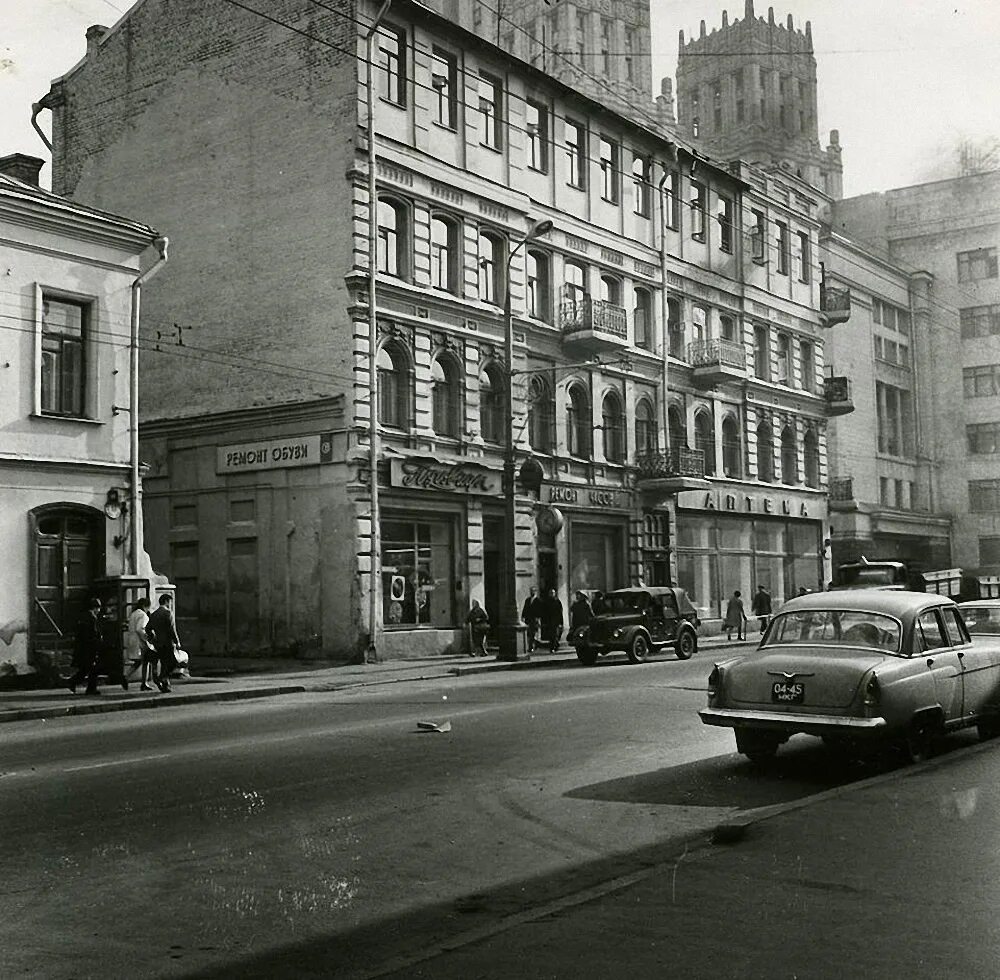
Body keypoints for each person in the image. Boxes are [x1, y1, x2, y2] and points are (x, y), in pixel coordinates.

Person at [146, 594, 181, 692]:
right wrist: (177, 641)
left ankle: (165, 686)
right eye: (169, 601)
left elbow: (147, 628)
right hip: (168, 643)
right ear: (166, 601)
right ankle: (163, 677)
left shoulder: (154, 614)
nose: (170, 604)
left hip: (158, 644)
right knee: (173, 662)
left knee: (164, 663)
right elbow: (172, 629)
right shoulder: (168, 613)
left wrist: (152, 639)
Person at [69, 596, 103, 695]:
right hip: (89, 648)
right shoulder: (92, 618)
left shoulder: (84, 616)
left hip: (83, 648)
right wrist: (98, 642)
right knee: (93, 669)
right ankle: (90, 688)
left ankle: (73, 682)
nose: (99, 611)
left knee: (86, 669)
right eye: (98, 608)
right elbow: (93, 633)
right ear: (95, 608)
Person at [126, 597, 157, 691]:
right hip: (140, 641)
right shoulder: (143, 615)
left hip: (132, 640)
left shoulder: (133, 614)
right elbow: (140, 629)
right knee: (146, 661)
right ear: (145, 606)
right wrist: (147, 639)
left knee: (139, 662)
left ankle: (128, 677)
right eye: (148, 607)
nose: (148, 610)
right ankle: (143, 682)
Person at [521, 587, 543, 653]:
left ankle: (532, 646)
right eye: (531, 591)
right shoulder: (527, 600)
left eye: (533, 591)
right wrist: (523, 616)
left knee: (533, 633)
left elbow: (540, 611)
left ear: (535, 592)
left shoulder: (538, 600)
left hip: (535, 619)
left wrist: (538, 618)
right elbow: (525, 609)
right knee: (529, 634)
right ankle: (531, 646)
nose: (532, 592)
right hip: (528, 619)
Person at [541, 588, 564, 652]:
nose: (552, 594)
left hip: (556, 621)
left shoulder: (557, 601)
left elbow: (560, 613)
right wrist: (544, 622)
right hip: (549, 621)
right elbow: (544, 613)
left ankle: (553, 647)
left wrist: (561, 622)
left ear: (555, 594)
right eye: (551, 593)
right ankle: (553, 646)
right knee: (550, 636)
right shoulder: (546, 602)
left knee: (555, 635)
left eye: (553, 593)